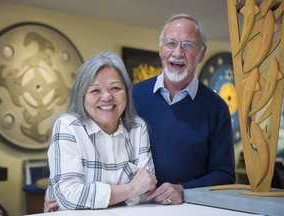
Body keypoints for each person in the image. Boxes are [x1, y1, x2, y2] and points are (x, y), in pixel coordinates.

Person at [133, 13, 235, 205]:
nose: (178, 53)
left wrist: (183, 189)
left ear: (202, 53)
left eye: (188, 45)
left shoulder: (216, 108)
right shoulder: (133, 96)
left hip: (189, 208)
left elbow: (225, 175)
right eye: (171, 43)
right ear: (161, 49)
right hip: (135, 207)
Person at [44, 52, 156, 211]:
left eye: (115, 88)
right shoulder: (68, 126)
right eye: (95, 90)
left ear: (127, 92)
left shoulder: (138, 128)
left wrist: (84, 199)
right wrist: (132, 188)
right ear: (81, 96)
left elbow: (148, 189)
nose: (107, 97)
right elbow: (69, 197)